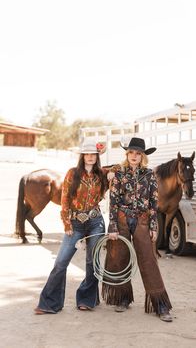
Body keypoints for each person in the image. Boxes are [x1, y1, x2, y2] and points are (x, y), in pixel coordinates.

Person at [102, 137, 173, 322]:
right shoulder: (118, 173)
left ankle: (160, 304)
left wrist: (153, 226)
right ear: (127, 154)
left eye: (138, 153)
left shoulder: (149, 175)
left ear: (143, 156)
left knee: (148, 260)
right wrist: (113, 226)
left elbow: (153, 203)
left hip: (142, 220)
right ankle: (123, 298)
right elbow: (114, 202)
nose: (134, 156)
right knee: (120, 258)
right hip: (122, 219)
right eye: (131, 152)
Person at [34, 141, 108, 314]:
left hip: (95, 222)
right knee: (61, 262)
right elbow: (65, 199)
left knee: (92, 262)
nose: (90, 157)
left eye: (93, 154)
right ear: (82, 156)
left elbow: (122, 167)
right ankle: (50, 303)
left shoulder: (102, 175)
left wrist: (108, 166)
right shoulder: (72, 173)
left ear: (97, 157)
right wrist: (67, 223)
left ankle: (87, 299)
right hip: (74, 223)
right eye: (86, 154)